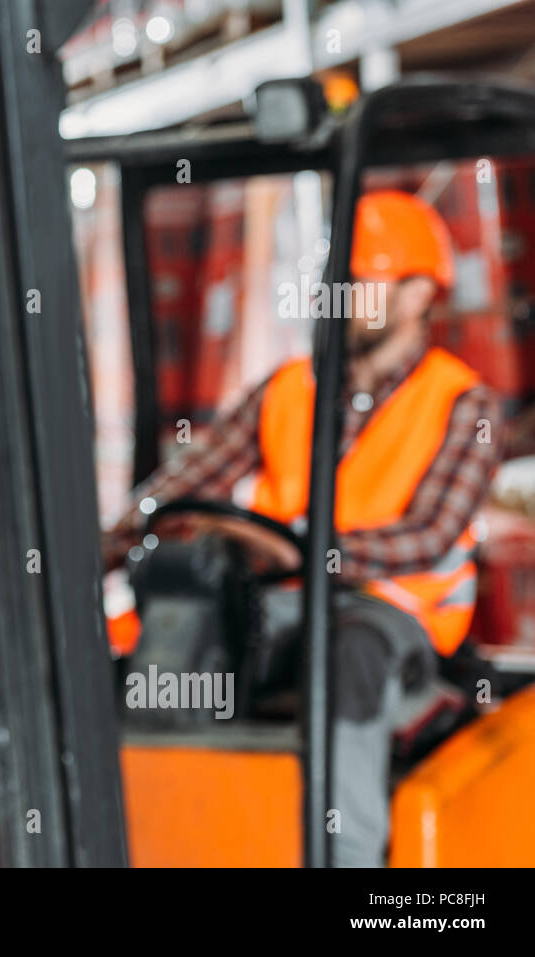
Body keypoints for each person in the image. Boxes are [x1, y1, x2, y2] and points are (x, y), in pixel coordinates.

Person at [105, 189, 504, 866]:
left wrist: (296, 550)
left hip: (395, 614)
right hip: (284, 599)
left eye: (360, 281)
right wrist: (123, 530)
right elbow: (192, 475)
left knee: (348, 655)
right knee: (173, 639)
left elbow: (430, 534)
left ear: (415, 295)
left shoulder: (462, 402)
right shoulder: (290, 388)